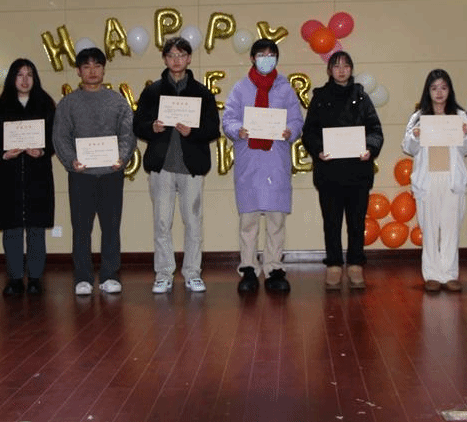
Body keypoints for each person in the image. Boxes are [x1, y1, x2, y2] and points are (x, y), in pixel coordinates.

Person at [133, 37, 221, 294]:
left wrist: (192, 132)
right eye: (171, 55)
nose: (176, 60)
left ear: (189, 59)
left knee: (193, 222)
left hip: (191, 166)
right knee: (162, 222)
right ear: (164, 59)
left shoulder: (202, 92)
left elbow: (212, 129)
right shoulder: (152, 91)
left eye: (181, 55)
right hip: (161, 166)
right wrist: (152, 127)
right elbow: (137, 125)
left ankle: (193, 273)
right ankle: (163, 273)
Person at [222, 38, 304, 293]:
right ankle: (248, 267)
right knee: (248, 220)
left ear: (276, 59)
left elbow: (297, 120)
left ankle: (274, 267)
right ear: (252, 58)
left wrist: (290, 131)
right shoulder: (240, 88)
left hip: (275, 160)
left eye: (271, 55)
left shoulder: (285, 89)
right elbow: (228, 118)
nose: (266, 60)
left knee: (276, 220)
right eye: (261, 55)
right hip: (250, 160)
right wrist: (238, 130)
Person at [52, 47, 135, 296]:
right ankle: (82, 278)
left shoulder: (117, 101)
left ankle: (110, 275)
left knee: (111, 227)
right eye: (86, 67)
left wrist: (122, 158)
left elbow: (127, 134)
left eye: (97, 66)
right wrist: (71, 161)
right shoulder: (68, 103)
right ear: (78, 71)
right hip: (81, 174)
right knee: (81, 228)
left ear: (103, 70)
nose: (92, 71)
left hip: (111, 173)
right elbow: (60, 136)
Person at [301, 51, 383, 289]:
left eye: (346, 66)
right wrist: (318, 150)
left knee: (356, 223)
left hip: (358, 172)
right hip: (329, 172)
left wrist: (370, 148)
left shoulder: (362, 97)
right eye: (336, 66)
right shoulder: (320, 97)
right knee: (332, 222)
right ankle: (334, 265)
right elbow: (309, 132)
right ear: (329, 71)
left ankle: (356, 264)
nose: (341, 70)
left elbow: (375, 130)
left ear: (351, 69)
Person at [0, 59, 56, 296]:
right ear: (12, 78)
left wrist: (43, 151)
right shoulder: (0, 105)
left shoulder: (45, 104)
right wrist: (3, 153)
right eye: (20, 75)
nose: (25, 80)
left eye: (29, 75)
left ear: (35, 78)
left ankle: (35, 278)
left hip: (38, 175)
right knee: (12, 229)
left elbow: (56, 136)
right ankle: (14, 278)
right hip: (9, 175)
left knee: (36, 229)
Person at [401, 69, 467, 293]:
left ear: (450, 90)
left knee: (451, 229)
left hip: (451, 180)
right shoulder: (418, 117)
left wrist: (465, 133)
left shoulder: (460, 116)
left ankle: (450, 274)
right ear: (428, 91)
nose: (439, 92)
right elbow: (408, 147)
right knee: (430, 230)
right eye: (434, 88)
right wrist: (415, 135)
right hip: (428, 180)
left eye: (443, 87)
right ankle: (432, 275)